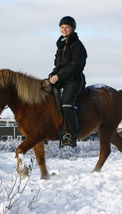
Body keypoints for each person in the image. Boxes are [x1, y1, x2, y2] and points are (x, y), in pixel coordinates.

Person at [49, 16, 87, 148]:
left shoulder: (77, 45)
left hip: (75, 80)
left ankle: (71, 135)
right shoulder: (60, 45)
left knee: (66, 103)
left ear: (72, 29)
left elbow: (76, 65)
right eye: (62, 27)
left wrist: (59, 76)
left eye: (67, 27)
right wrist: (53, 75)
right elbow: (59, 65)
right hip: (62, 78)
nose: (64, 29)